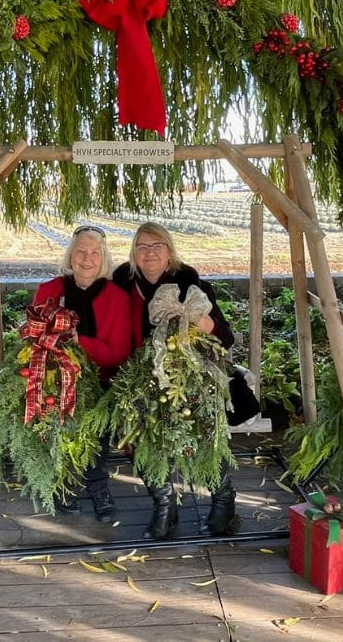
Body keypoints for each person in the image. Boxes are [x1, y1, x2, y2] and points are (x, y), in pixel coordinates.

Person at [112, 221, 237, 539]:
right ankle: (165, 507)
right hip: (142, 377)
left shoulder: (192, 287)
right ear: (134, 253)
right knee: (137, 431)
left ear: (169, 252)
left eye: (157, 246)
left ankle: (223, 501)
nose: (149, 252)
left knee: (203, 431)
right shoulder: (122, 287)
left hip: (190, 376)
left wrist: (202, 321)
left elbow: (226, 338)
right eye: (142, 246)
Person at [33, 225, 132, 522]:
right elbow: (33, 335)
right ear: (70, 256)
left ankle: (98, 486)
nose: (87, 259)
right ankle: (63, 484)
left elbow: (118, 351)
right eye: (80, 251)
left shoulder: (116, 297)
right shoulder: (50, 290)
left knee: (96, 427)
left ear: (103, 259)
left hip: (100, 379)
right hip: (53, 378)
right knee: (57, 424)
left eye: (94, 253)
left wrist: (79, 343)